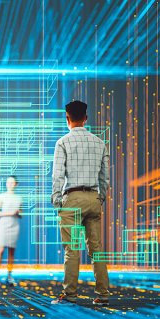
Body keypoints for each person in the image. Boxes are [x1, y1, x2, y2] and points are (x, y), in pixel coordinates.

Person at [51, 100, 111, 306]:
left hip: (72, 199)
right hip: (93, 198)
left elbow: (57, 176)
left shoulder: (62, 142)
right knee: (97, 249)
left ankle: (70, 295)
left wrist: (57, 201)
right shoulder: (99, 142)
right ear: (86, 118)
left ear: (67, 118)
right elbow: (105, 178)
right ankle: (103, 295)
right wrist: (99, 198)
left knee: (72, 249)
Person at [0, 175, 23, 287]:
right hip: (3, 226)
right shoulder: (1, 196)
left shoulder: (19, 198)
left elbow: (21, 214)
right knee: (0, 251)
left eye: (12, 182)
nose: (10, 184)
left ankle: (9, 276)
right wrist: (10, 213)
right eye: (8, 182)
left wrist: (18, 213)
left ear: (16, 184)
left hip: (14, 225)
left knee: (11, 253)